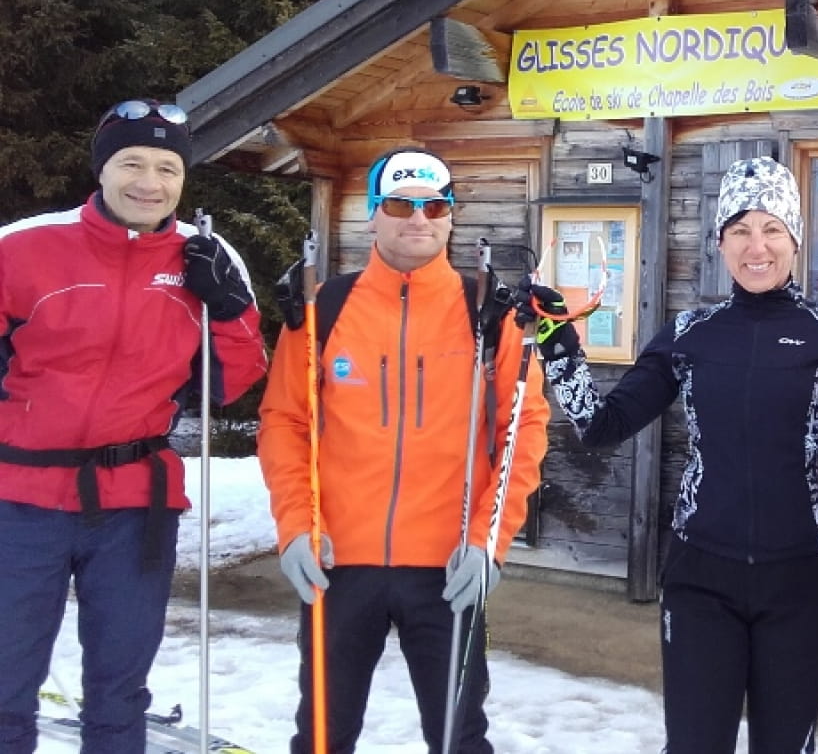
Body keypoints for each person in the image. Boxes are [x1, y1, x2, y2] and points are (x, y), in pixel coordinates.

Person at [521, 156, 818, 754]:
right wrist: (557, 343)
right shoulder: (690, 333)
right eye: (740, 230)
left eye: (772, 228)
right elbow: (599, 424)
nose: (757, 246)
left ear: (794, 239)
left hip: (803, 581)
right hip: (702, 581)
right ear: (720, 243)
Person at [257, 148, 548, 754]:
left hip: (446, 567)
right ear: (372, 214)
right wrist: (294, 527)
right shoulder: (323, 309)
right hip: (338, 564)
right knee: (321, 738)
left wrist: (488, 544)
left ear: (450, 216)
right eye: (399, 204)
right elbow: (284, 421)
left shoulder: (487, 314)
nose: (418, 219)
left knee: (459, 738)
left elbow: (521, 433)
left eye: (434, 205)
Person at [0, 99, 268, 753]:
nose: (149, 182)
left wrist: (228, 308)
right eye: (132, 162)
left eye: (167, 167)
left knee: (119, 692)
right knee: (6, 683)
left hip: (134, 506)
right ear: (102, 168)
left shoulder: (206, 254)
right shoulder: (23, 247)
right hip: (21, 501)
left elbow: (231, 382)